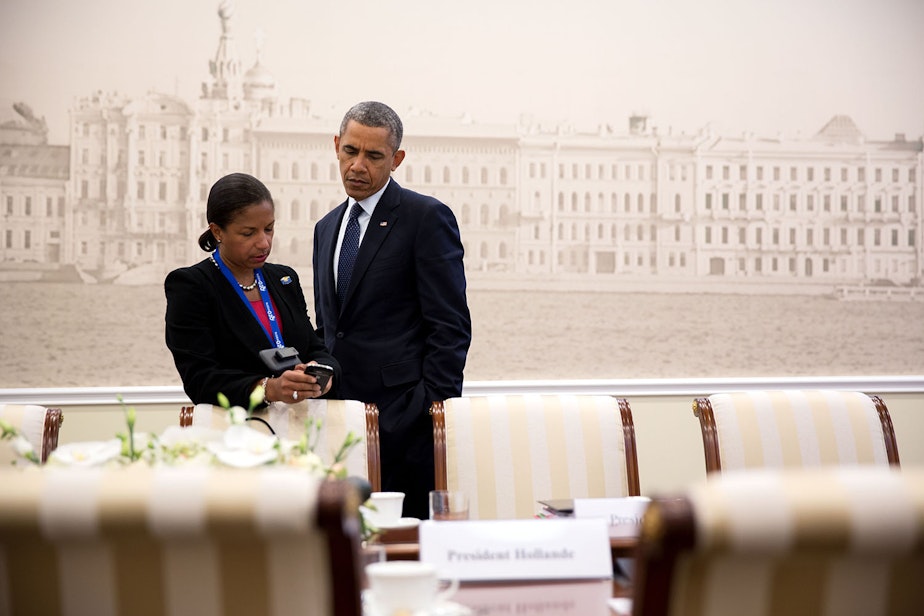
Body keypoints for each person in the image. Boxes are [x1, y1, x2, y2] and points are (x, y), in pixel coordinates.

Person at [312, 101, 472, 519]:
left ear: (396, 159)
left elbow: (451, 330)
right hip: (337, 429)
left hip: (407, 432)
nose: (358, 165)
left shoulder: (426, 218)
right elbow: (329, 328)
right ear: (336, 146)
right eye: (350, 151)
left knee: (407, 551)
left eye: (374, 156)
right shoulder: (326, 228)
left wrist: (422, 413)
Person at [166, 172, 338, 409]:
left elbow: (317, 349)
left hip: (299, 427)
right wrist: (268, 389)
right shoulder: (191, 286)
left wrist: (321, 377)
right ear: (217, 232)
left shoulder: (284, 278)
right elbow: (200, 380)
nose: (264, 242)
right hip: (237, 434)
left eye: (269, 229)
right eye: (249, 233)